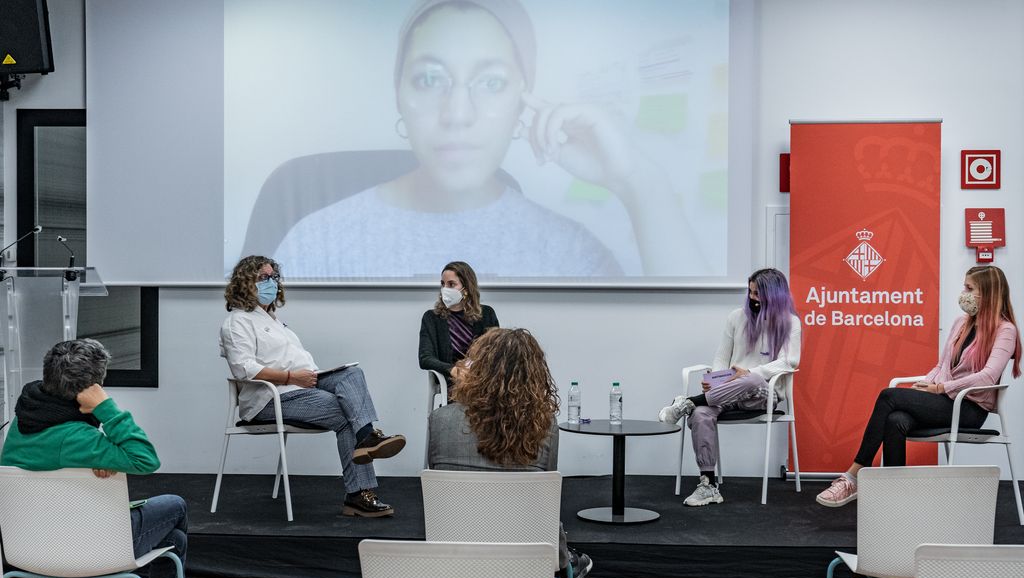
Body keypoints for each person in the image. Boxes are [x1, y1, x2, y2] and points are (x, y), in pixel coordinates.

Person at [273, 0, 689, 278]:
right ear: (398, 93)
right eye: (429, 79)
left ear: (523, 99)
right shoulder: (316, 244)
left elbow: (700, 357)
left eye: (491, 82)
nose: (458, 113)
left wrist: (637, 182)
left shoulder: (571, 255)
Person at [0, 339, 227, 578]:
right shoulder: (81, 439)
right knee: (176, 507)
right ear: (91, 389)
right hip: (88, 548)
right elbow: (146, 459)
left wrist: (100, 452)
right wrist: (106, 409)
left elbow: (58, 453)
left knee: (173, 544)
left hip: (29, 549)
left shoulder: (20, 424)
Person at [817, 265, 1022, 507]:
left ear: (987, 293)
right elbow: (941, 366)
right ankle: (895, 499)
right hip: (945, 402)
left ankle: (854, 475)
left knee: (889, 396)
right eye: (964, 287)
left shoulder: (1005, 331)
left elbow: (987, 377)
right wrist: (925, 385)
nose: (963, 294)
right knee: (896, 419)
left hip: (969, 409)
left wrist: (941, 388)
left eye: (969, 289)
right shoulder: (961, 323)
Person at [219, 255, 406, 517]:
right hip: (270, 399)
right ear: (245, 282)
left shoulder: (274, 321)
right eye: (263, 277)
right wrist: (291, 378)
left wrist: (304, 378)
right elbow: (244, 368)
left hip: (303, 386)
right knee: (346, 413)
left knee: (352, 374)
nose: (271, 282)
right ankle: (358, 493)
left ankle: (367, 437)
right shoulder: (237, 322)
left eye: (273, 277)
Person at [428, 327, 592, 578]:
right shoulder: (545, 426)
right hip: (525, 554)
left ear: (476, 369)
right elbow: (546, 500)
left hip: (455, 550)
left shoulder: (440, 420)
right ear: (534, 375)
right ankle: (567, 563)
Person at [659, 268, 801, 507]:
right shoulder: (736, 317)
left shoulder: (790, 322)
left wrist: (750, 373)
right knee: (701, 414)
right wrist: (716, 379)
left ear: (774, 295)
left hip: (762, 394)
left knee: (753, 379)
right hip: (727, 393)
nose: (752, 298)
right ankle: (708, 485)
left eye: (758, 293)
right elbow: (722, 357)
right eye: (750, 292)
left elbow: (790, 361)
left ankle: (689, 401)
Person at [419, 261, 499, 387]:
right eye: (443, 284)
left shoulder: (487, 314)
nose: (445, 289)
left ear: (466, 288)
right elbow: (425, 358)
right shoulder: (431, 317)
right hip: (452, 379)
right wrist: (453, 370)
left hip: (481, 378)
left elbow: (496, 351)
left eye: (451, 284)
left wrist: (475, 371)